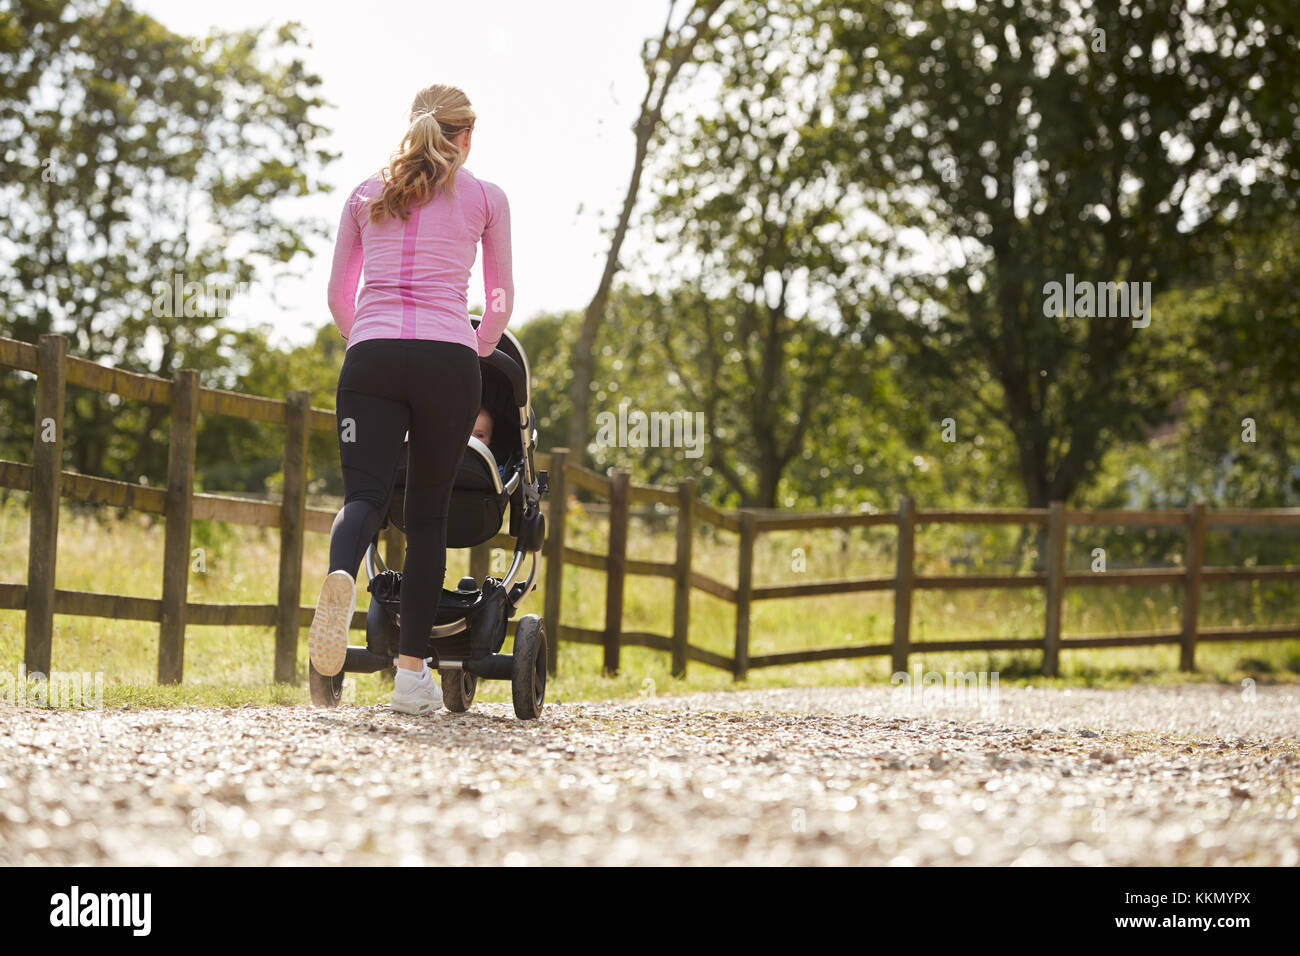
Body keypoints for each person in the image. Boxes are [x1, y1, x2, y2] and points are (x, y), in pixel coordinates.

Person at [309, 83, 514, 715]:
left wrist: (363, 338)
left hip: (369, 356)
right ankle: (409, 677)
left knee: (365, 498)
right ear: (467, 134)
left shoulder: (366, 194)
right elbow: (501, 300)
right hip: (447, 361)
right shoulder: (486, 196)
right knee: (427, 518)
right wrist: (474, 348)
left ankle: (343, 572)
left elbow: (339, 298)